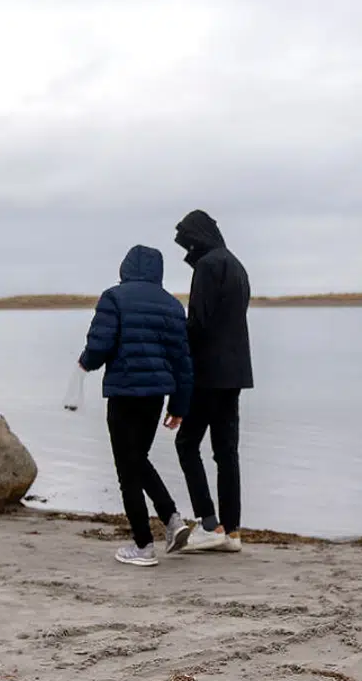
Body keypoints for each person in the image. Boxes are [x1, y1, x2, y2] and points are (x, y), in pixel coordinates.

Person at [76, 245, 194, 567]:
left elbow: (100, 344)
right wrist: (179, 406)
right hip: (155, 397)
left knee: (127, 468)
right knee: (137, 460)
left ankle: (143, 545)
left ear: (125, 268)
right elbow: (183, 362)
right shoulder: (172, 305)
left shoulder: (113, 298)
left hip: (124, 392)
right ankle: (171, 520)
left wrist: (84, 364)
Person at [171, 209, 253, 553]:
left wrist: (177, 350)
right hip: (235, 373)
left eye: (188, 240)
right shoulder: (237, 266)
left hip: (207, 373)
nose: (186, 248)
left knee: (187, 445)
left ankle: (209, 523)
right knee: (226, 451)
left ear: (198, 236)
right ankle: (232, 530)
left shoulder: (207, 266)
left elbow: (199, 322)